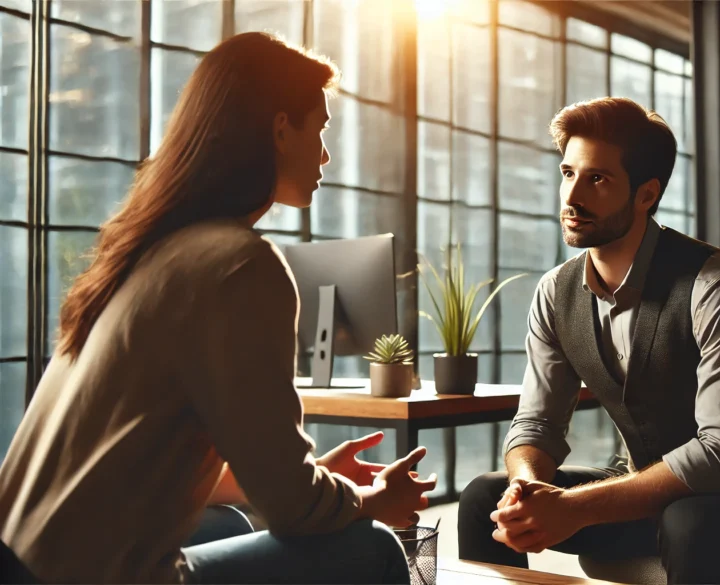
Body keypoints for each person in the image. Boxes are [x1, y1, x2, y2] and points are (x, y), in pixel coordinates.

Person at [0, 32, 435, 584]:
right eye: (320, 129)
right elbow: (294, 509)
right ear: (281, 129)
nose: (325, 153)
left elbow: (153, 462)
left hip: (21, 563)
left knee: (225, 522)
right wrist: (371, 500)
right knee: (369, 547)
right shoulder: (241, 265)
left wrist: (320, 476)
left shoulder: (147, 252)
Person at [458, 98, 720, 585]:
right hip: (646, 497)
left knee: (689, 523)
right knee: (484, 499)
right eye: (567, 173)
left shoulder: (716, 285)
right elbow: (536, 423)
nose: (571, 196)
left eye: (597, 179)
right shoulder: (555, 293)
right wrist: (528, 489)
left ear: (646, 195)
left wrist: (575, 507)